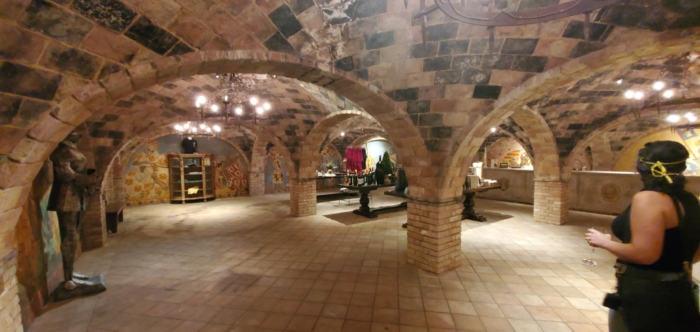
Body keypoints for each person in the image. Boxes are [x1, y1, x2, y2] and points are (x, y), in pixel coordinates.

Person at [586, 141, 700, 331]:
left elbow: (645, 255)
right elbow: (695, 251)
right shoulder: (690, 199)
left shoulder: (649, 198)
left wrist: (604, 243)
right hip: (679, 289)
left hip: (648, 295)